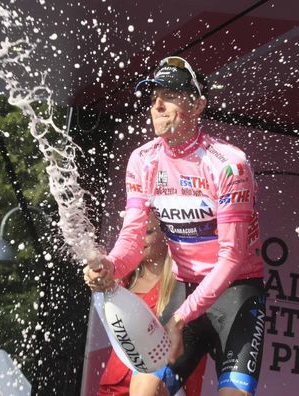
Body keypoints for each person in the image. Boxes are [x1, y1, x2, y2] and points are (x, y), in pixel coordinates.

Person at [84, 56, 265, 396]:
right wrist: (109, 266)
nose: (157, 105)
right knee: (142, 392)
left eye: (170, 94)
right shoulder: (143, 160)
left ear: (197, 105)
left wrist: (179, 319)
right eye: (153, 97)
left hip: (236, 292)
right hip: (185, 289)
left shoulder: (228, 164)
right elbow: (133, 238)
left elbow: (231, 258)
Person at [93, 212, 206, 396]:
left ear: (167, 234)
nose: (138, 239)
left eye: (147, 232)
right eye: (134, 232)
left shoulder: (186, 289)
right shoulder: (120, 279)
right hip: (113, 389)